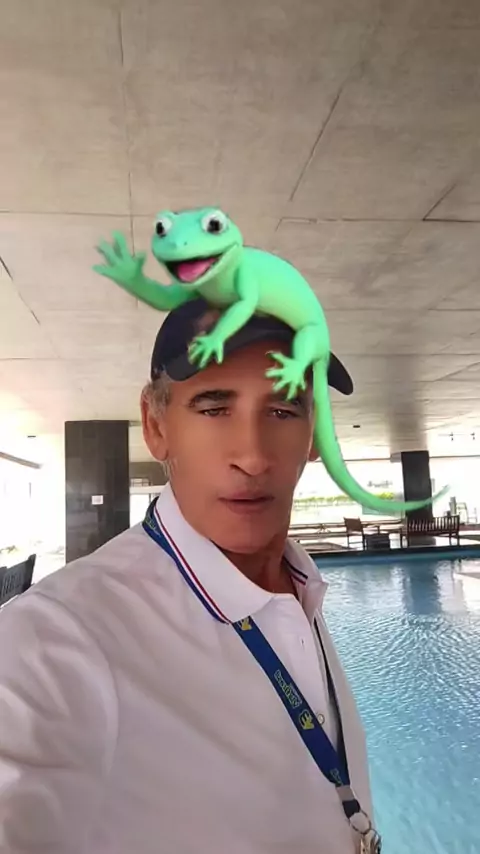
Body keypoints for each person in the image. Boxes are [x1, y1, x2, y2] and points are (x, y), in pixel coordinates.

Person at [0, 297, 376, 854]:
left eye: (282, 410)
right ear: (156, 426)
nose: (253, 456)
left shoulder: (300, 587)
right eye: (214, 407)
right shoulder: (57, 639)